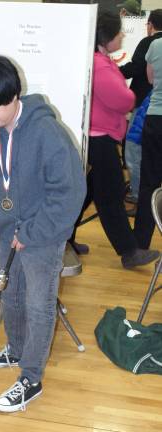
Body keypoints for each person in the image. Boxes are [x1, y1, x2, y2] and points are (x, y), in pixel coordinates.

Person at [0, 55, 86, 412]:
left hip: (43, 236)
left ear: (14, 95)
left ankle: (30, 378)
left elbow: (69, 193)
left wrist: (32, 231)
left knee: (37, 304)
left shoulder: (47, 134)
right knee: (11, 296)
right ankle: (15, 350)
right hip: (7, 233)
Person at [76, 11, 159, 269]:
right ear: (107, 36)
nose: (123, 35)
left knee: (86, 192)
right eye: (119, 31)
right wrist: (127, 96)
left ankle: (65, 238)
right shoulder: (100, 64)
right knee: (110, 195)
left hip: (100, 136)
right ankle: (128, 251)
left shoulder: (102, 60)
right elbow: (124, 98)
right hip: (99, 138)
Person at [120, 9, 162, 203]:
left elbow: (141, 71)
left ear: (150, 25)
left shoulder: (150, 43)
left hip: (148, 106)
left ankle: (139, 196)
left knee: (133, 150)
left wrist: (113, 72)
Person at [134, 36, 162, 249]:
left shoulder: (156, 45)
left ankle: (141, 243)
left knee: (149, 183)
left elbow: (151, 80)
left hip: (154, 119)